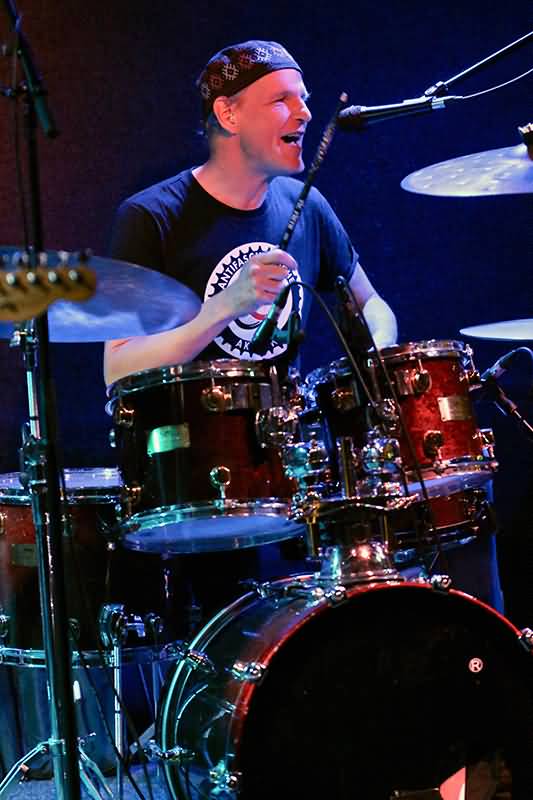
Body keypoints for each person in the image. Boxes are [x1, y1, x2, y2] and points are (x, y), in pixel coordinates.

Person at [103, 39, 397, 387]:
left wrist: (378, 350)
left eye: (303, 98)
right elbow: (117, 367)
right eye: (281, 100)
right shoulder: (151, 216)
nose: (305, 113)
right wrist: (224, 307)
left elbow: (370, 302)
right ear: (228, 114)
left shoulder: (306, 204)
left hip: (286, 420)